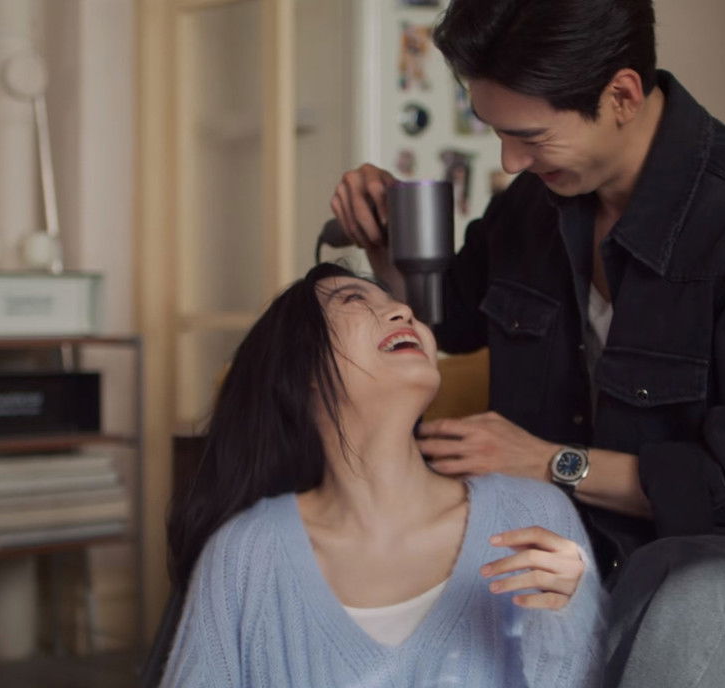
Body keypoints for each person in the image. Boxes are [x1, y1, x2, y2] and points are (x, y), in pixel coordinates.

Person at [327, 0, 725, 686]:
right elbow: (450, 322)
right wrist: (389, 244)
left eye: (529, 136)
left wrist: (551, 461)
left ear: (621, 95)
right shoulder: (536, 203)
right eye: (496, 132)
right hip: (560, 541)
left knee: (687, 597)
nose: (510, 161)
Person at [157, 263, 605, 688]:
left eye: (398, 303)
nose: (404, 310)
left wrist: (565, 619)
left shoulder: (532, 515)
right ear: (302, 366)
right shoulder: (245, 554)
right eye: (354, 299)